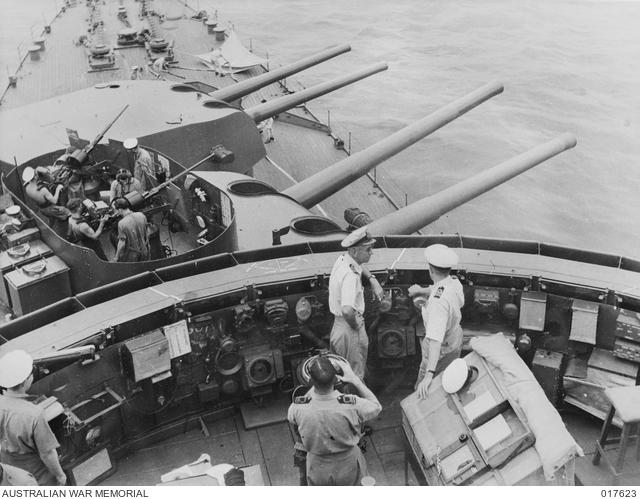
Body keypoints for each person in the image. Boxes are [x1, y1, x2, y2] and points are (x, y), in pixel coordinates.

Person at [287, 357, 381, 486]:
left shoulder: (297, 407)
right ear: (336, 379)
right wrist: (355, 379)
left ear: (310, 381)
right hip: (349, 465)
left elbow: (293, 420)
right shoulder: (351, 403)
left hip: (317, 468)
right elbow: (376, 407)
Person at [0, 350, 67, 486]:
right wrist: (60, 475)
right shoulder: (33, 414)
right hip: (37, 477)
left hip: (9, 472)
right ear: (26, 381)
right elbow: (47, 454)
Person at [408, 244, 464, 399]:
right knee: (448, 378)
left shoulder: (437, 304)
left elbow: (435, 342)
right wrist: (421, 290)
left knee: (424, 388)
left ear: (430, 270)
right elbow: (439, 289)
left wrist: (428, 375)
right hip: (454, 339)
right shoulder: (454, 282)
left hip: (441, 349)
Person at [328, 227, 384, 380]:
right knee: (355, 378)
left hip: (338, 327)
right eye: (368, 249)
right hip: (350, 327)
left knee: (342, 372)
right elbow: (347, 310)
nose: (371, 252)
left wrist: (373, 280)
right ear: (354, 251)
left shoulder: (344, 259)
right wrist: (356, 327)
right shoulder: (350, 276)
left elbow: (359, 265)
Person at [22, 166, 70, 238]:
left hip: (42, 209)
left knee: (51, 218)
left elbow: (37, 169)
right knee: (69, 212)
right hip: (51, 209)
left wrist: (44, 171)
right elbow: (54, 201)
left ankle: (49, 230)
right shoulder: (42, 190)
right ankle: (69, 234)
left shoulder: (27, 187)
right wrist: (58, 188)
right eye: (36, 174)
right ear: (35, 177)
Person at [113, 197, 150, 262]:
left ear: (120, 210)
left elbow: (122, 243)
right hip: (145, 251)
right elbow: (147, 232)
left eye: (116, 210)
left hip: (133, 255)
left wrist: (116, 257)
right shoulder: (141, 215)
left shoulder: (122, 223)